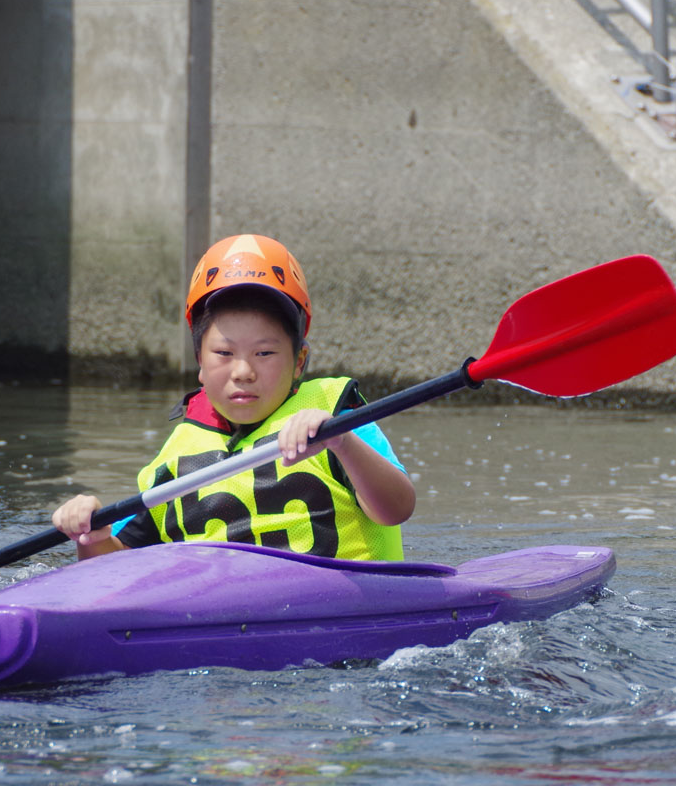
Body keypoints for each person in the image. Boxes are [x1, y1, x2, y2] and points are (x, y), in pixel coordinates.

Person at [52, 234, 416, 561]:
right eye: (224, 354)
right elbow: (112, 569)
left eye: (265, 354)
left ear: (299, 362)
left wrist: (341, 442)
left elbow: (396, 509)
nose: (243, 371)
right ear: (199, 363)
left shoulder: (336, 416)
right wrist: (91, 537)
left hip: (348, 610)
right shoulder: (174, 462)